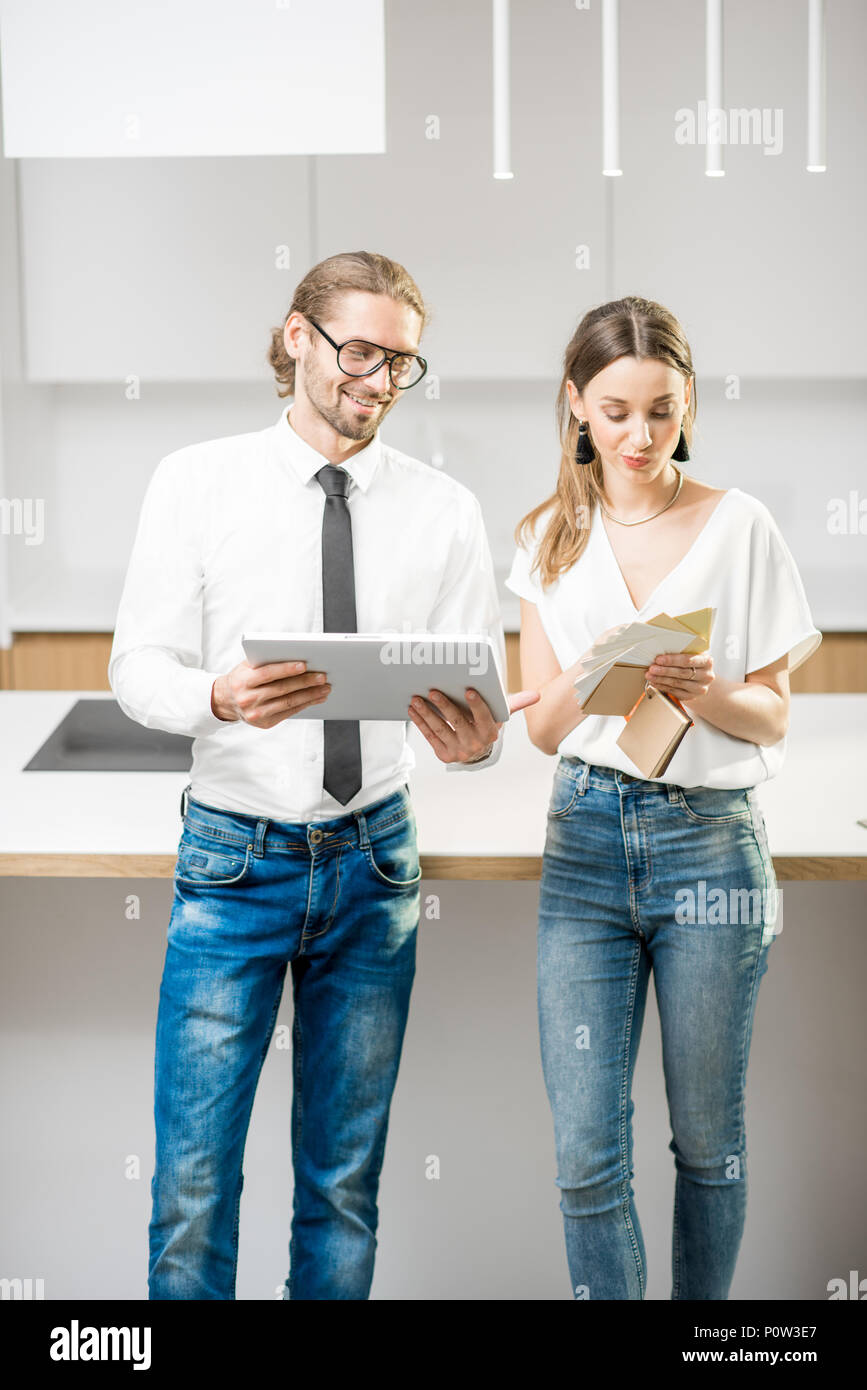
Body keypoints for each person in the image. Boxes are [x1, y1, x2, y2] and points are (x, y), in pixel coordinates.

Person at [109, 249, 537, 1300]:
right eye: (359, 350)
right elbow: (136, 668)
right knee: (195, 1185)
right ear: (297, 336)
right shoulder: (196, 481)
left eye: (401, 362)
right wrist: (215, 697)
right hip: (233, 861)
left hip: (373, 863)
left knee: (344, 1187)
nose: (378, 380)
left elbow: (472, 710)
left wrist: (471, 741)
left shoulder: (443, 509)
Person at [505, 294, 821, 1300]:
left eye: (662, 409)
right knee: (587, 1154)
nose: (639, 435)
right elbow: (548, 730)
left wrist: (705, 691)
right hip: (587, 843)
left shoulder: (739, 524)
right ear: (575, 406)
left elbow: (772, 715)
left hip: (710, 849)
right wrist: (595, 670)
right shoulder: (550, 535)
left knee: (707, 1140)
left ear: (687, 405)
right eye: (616, 410)